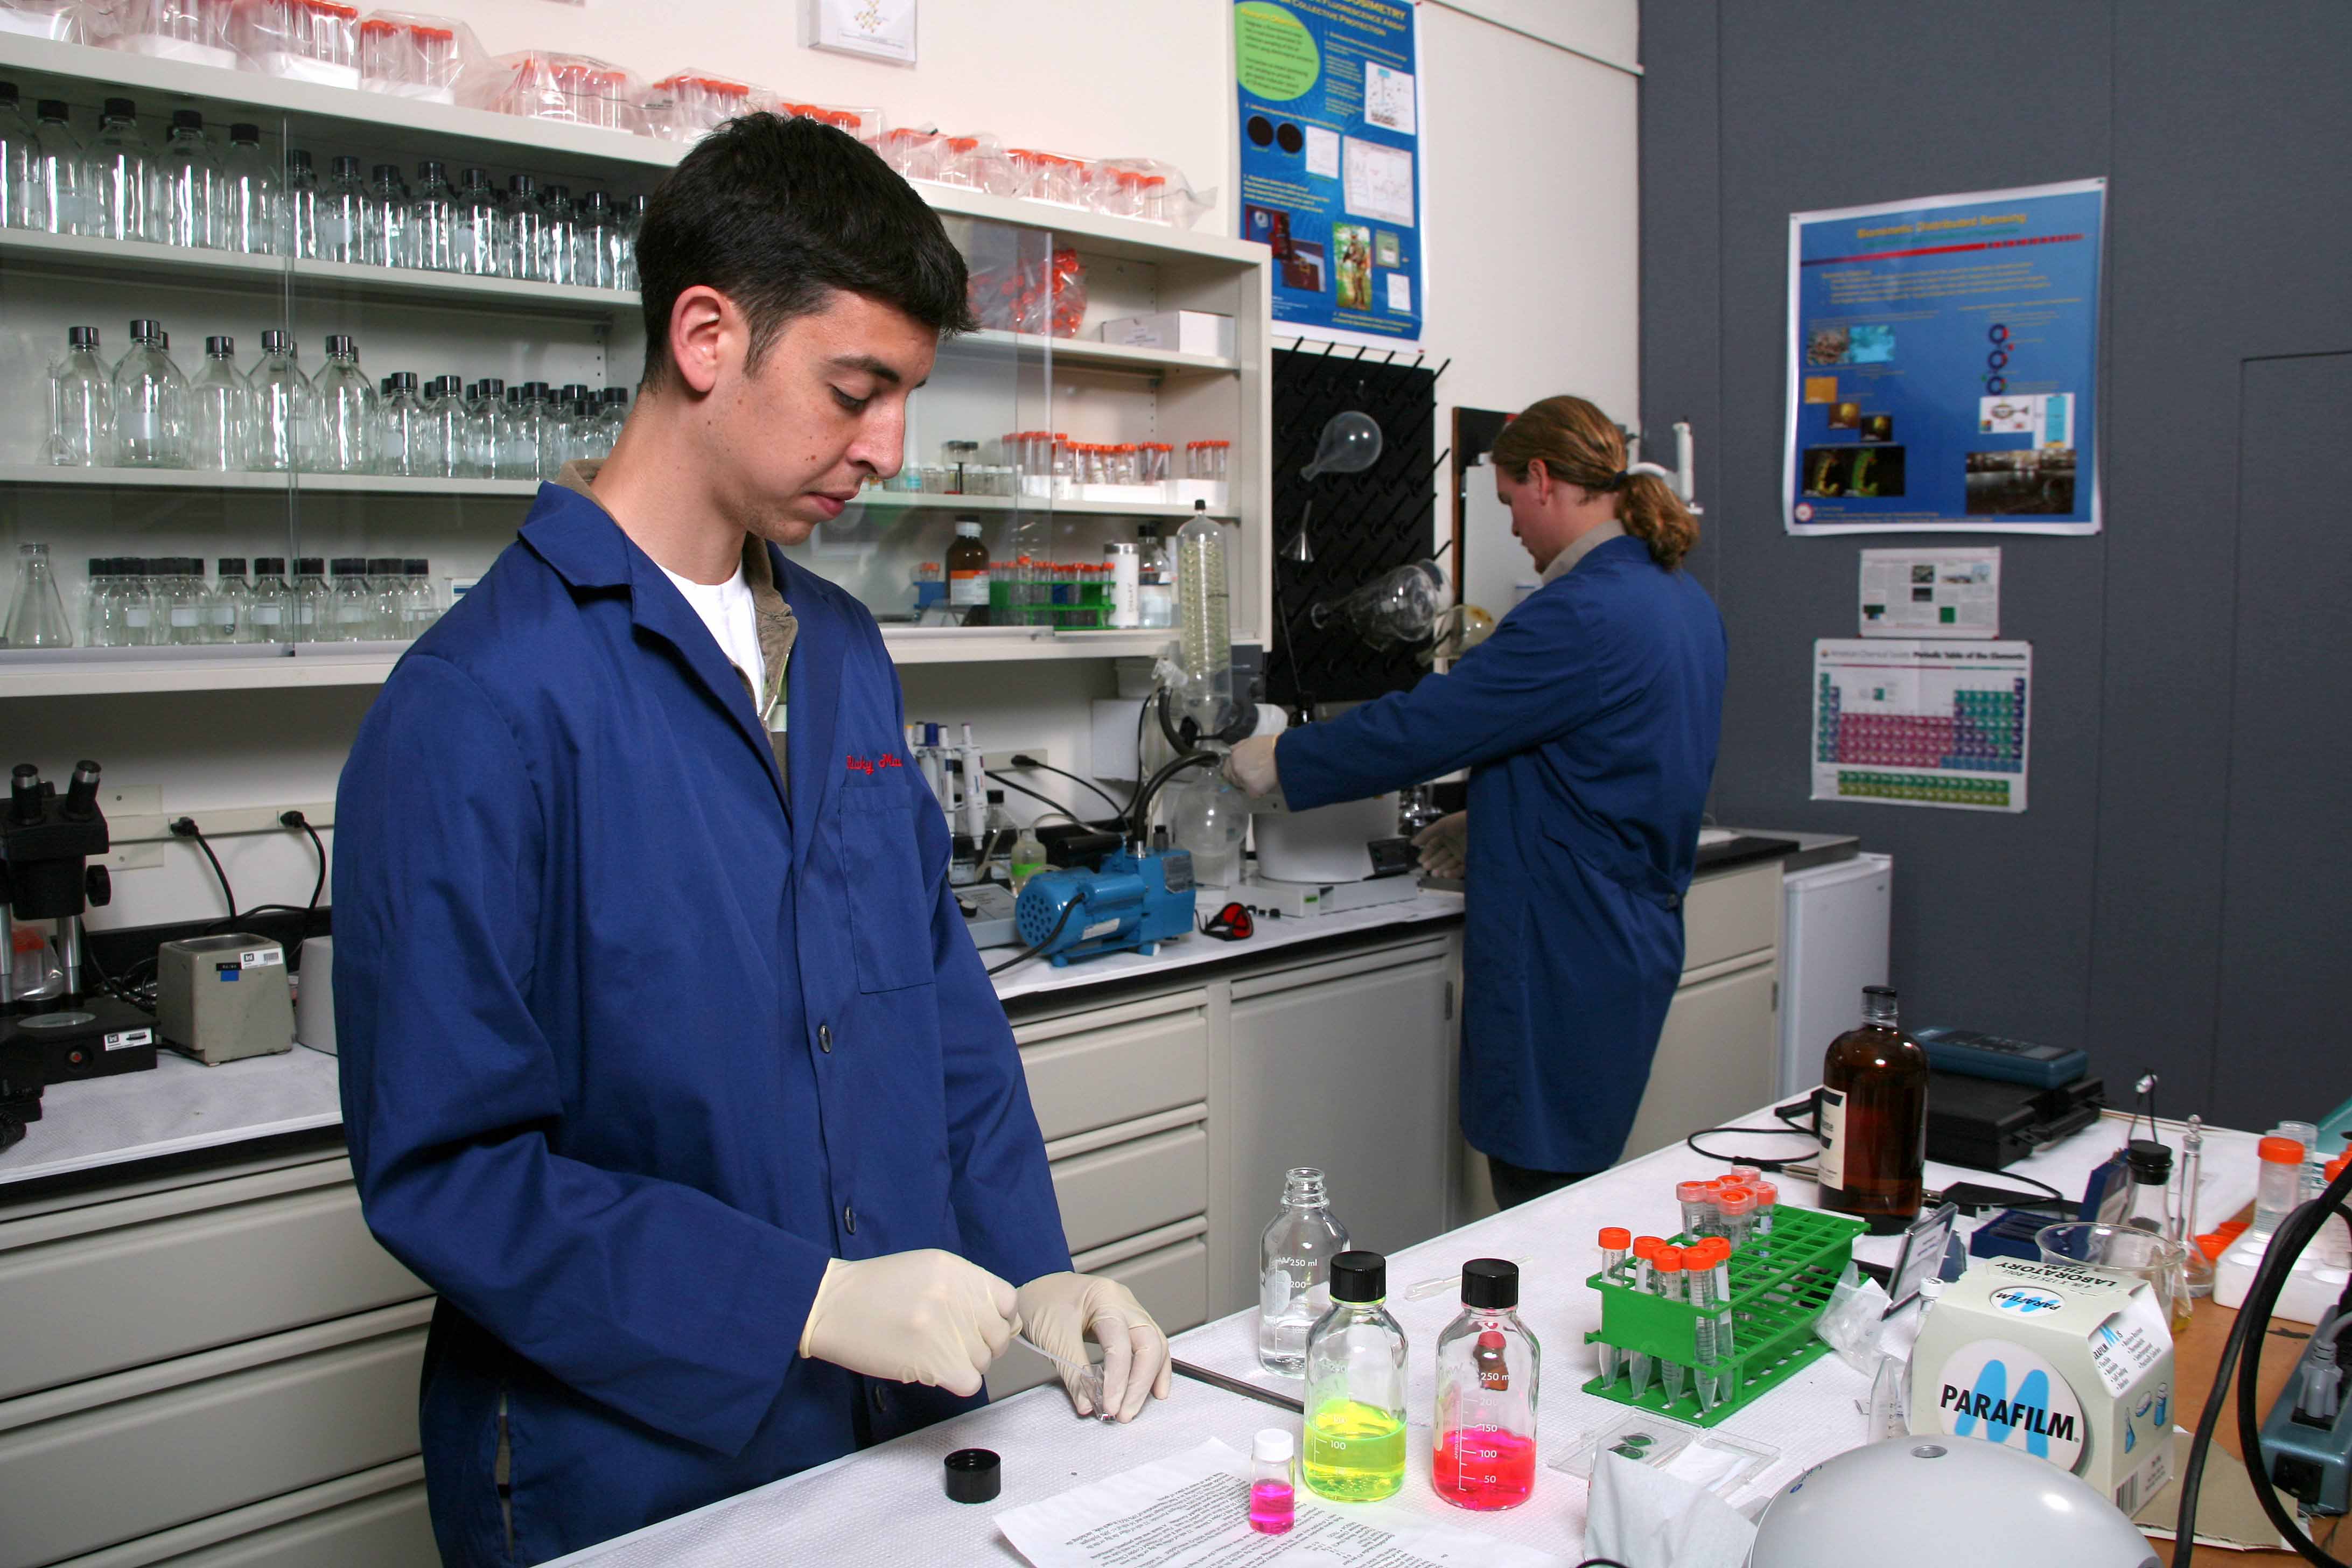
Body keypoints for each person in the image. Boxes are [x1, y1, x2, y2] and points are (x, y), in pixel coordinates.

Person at [333, 115, 1168, 1567]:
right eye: (858, 390)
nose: (891, 451)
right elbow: (449, 1169)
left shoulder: (841, 651)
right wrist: (797, 1301)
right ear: (709, 336)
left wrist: (1040, 1268)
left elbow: (935, 1008)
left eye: (909, 395)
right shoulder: (478, 700)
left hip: (889, 1418)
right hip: (626, 1462)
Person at [1226, 396, 1725, 1210]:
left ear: (1540, 479)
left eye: (1507, 506)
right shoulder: (1676, 598)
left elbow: (1433, 725)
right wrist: (1493, 818)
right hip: (1627, 933)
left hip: (1565, 945)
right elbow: (1616, 764)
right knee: (1574, 1190)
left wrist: (1281, 758)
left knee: (1541, 1198)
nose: (1516, 532)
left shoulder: (1581, 612)